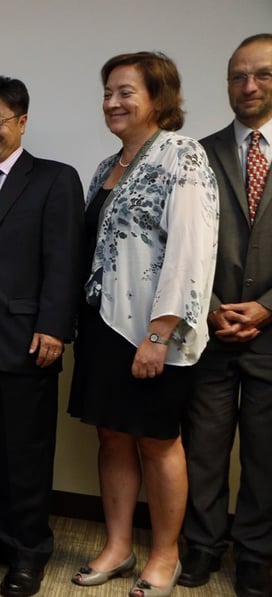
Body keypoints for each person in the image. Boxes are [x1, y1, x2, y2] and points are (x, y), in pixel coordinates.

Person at [67, 52, 218, 597]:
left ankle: (165, 555)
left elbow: (191, 253)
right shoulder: (105, 166)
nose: (113, 102)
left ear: (159, 97)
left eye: (126, 91)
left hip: (154, 330)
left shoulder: (184, 155)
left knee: (157, 440)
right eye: (108, 91)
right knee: (112, 437)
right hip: (103, 323)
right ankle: (119, 546)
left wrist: (159, 333)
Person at [0, 76, 84, 597]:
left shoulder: (53, 179)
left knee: (24, 455)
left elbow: (65, 260)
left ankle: (28, 553)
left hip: (30, 340)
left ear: (21, 122)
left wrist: (54, 327)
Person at [181, 34, 272, 597]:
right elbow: (183, 242)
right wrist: (212, 308)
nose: (248, 86)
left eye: (261, 74)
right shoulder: (199, 151)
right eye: (238, 76)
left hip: (271, 334)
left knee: (265, 455)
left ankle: (257, 556)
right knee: (204, 450)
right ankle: (202, 547)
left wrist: (265, 308)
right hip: (209, 331)